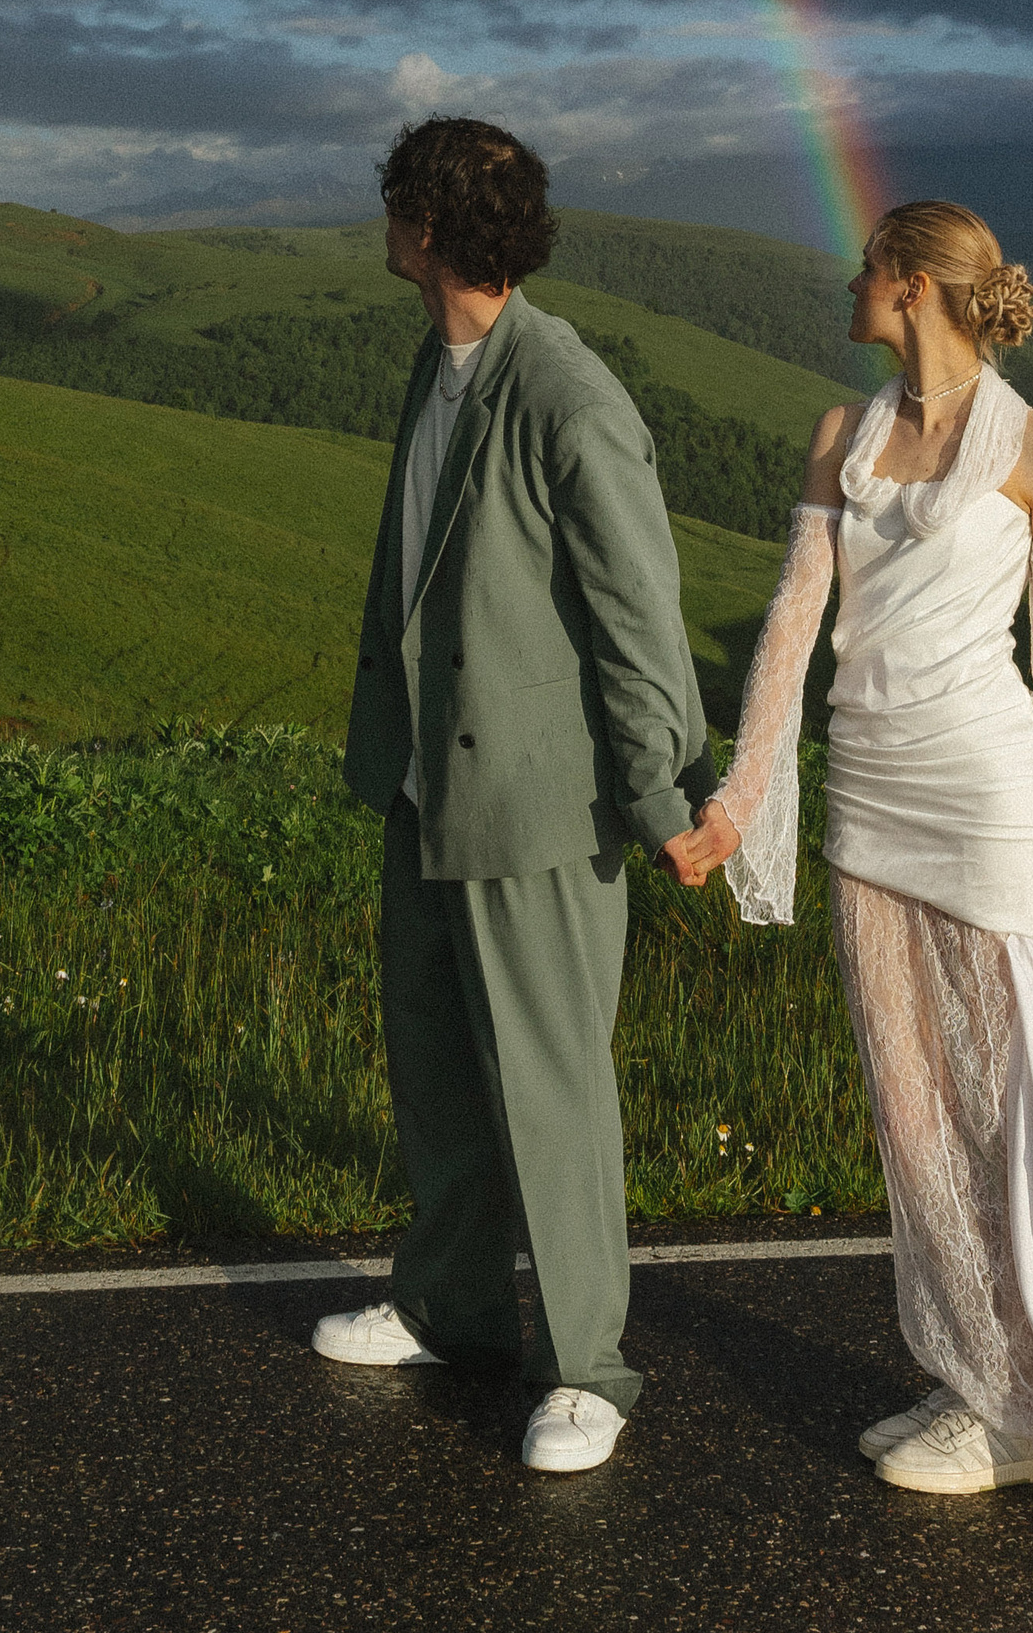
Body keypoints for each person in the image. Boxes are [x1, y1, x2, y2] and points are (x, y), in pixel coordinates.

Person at [667, 199, 1033, 1530]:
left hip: (992, 799)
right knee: (908, 1111)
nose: (848, 283)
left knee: (1007, 1115)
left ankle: (1024, 1407)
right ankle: (977, 1379)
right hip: (873, 793)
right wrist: (741, 795)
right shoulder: (844, 435)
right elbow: (794, 618)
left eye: (865, 268)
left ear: (907, 286)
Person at [311, 116, 722, 1474]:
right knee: (435, 1068)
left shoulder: (567, 395)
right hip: (432, 793)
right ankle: (452, 1308)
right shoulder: (439, 365)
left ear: (428, 229)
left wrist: (664, 796)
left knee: (550, 1088)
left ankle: (589, 1367)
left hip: (542, 806)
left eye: (394, 208)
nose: (384, 227)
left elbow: (636, 615)